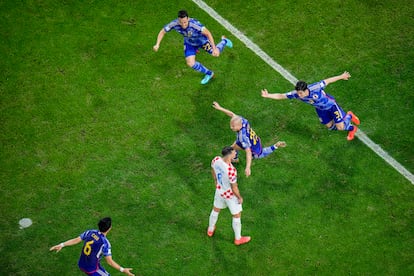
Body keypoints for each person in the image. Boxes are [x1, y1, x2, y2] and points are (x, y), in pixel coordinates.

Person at [261, 71, 360, 141]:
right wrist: (268, 95)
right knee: (330, 127)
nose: (299, 95)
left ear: (306, 90)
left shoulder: (315, 87)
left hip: (331, 106)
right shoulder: (296, 94)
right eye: (298, 93)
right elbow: (281, 95)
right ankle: (348, 119)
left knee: (340, 127)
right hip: (320, 110)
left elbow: (328, 81)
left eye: (300, 93)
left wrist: (341, 76)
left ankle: (350, 122)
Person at [153, 10, 233, 84]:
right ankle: (209, 74)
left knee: (216, 54)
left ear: (188, 18)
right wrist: (157, 44)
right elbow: (162, 31)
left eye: (185, 22)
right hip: (189, 43)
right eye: (181, 22)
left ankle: (224, 41)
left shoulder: (195, 24)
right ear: (178, 20)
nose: (183, 25)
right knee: (190, 63)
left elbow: (208, 33)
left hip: (202, 42)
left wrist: (214, 48)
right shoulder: (174, 24)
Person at [212, 101, 287, 177]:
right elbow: (232, 114)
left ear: (239, 125)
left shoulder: (243, 137)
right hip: (255, 140)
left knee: (260, 154)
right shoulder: (242, 120)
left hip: (254, 149)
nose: (231, 127)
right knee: (233, 147)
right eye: (231, 125)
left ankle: (276, 146)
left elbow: (248, 152)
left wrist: (248, 167)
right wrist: (220, 108)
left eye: (233, 126)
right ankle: (235, 158)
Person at [50, 217, 135, 276]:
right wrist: (123, 270)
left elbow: (76, 240)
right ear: (109, 228)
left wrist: (61, 245)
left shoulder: (90, 232)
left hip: (81, 264)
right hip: (91, 268)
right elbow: (110, 262)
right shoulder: (105, 244)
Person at [207, 146, 251, 246]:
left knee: (215, 209)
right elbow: (234, 187)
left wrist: (215, 181)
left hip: (219, 191)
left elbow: (213, 170)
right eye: (234, 152)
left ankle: (210, 229)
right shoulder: (231, 170)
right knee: (236, 215)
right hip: (230, 196)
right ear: (230, 154)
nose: (236, 153)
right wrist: (239, 197)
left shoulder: (216, 160)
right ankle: (238, 239)